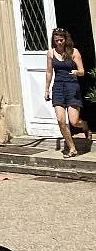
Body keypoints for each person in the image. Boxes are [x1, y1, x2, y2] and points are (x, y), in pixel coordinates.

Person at [45, 27, 90, 157]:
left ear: (66, 39)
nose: (59, 42)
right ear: (53, 40)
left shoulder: (74, 52)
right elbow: (49, 72)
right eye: (56, 40)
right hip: (58, 87)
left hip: (72, 86)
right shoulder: (50, 53)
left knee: (74, 121)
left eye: (61, 40)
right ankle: (72, 148)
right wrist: (46, 89)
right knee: (60, 120)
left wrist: (77, 72)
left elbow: (82, 71)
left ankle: (85, 125)